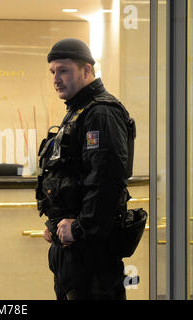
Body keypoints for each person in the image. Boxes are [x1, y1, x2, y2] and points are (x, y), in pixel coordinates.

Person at [36, 38, 135, 300]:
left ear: (87, 70)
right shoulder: (78, 111)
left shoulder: (100, 113)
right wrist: (56, 223)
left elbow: (105, 182)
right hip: (74, 252)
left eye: (64, 70)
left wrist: (79, 228)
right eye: (52, 72)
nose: (56, 78)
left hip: (92, 255)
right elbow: (71, 175)